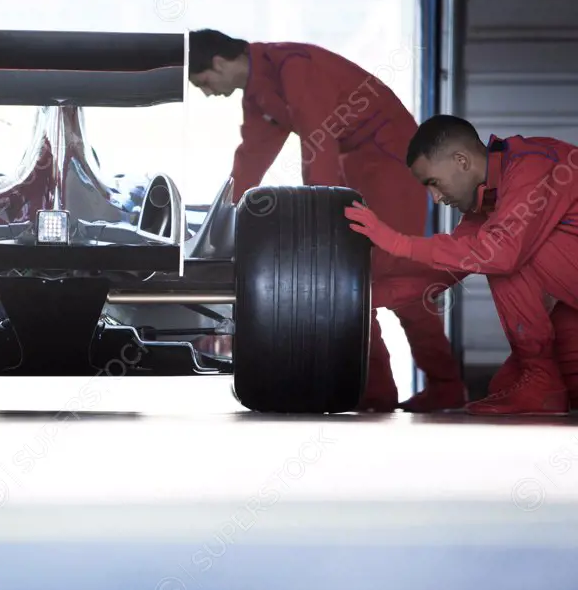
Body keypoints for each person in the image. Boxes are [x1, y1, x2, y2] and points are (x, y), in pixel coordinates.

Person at [187, 29, 465, 413]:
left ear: (219, 62)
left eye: (204, 82)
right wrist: (225, 218)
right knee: (347, 280)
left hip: (390, 162)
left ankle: (442, 385)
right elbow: (252, 156)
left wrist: (320, 211)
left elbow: (319, 140)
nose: (207, 91)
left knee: (393, 274)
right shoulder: (258, 92)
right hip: (354, 165)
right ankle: (377, 391)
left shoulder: (292, 67)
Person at [346, 114, 578, 416]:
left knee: (504, 255)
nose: (436, 198)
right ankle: (541, 380)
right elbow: (446, 269)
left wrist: (396, 241)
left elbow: (500, 254)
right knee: (507, 387)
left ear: (461, 161)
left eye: (434, 183)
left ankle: (541, 376)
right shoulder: (489, 203)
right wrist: (365, 299)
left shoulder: (532, 166)